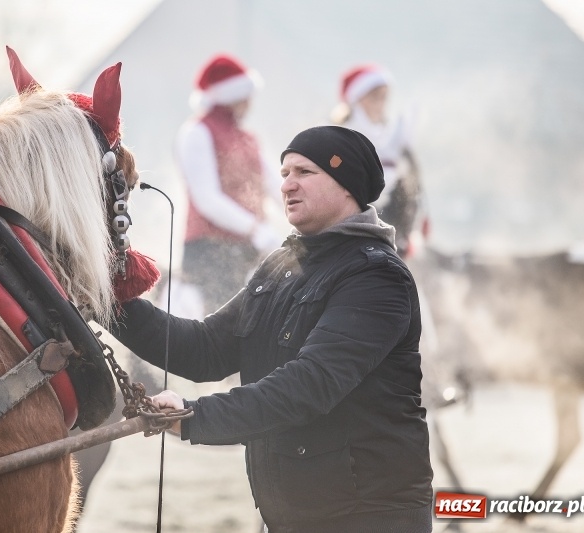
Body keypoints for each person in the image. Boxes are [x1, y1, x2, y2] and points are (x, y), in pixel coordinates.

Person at [111, 126, 434, 532]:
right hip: (290, 519)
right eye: (283, 174)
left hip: (366, 518)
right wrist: (106, 300)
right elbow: (204, 349)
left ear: (347, 184)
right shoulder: (279, 266)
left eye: (304, 172)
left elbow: (309, 385)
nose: (286, 185)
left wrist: (194, 417)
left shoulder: (376, 276)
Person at [171, 53, 283, 318]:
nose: (251, 102)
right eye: (247, 95)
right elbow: (207, 199)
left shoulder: (248, 138)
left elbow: (274, 185)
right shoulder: (196, 133)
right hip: (210, 250)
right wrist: (255, 229)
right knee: (224, 322)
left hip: (247, 249)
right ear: (235, 96)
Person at [332, 63, 428, 258]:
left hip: (393, 229)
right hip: (354, 229)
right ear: (358, 100)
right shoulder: (339, 136)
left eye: (385, 97)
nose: (382, 103)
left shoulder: (394, 136)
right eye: (376, 97)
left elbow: (413, 186)